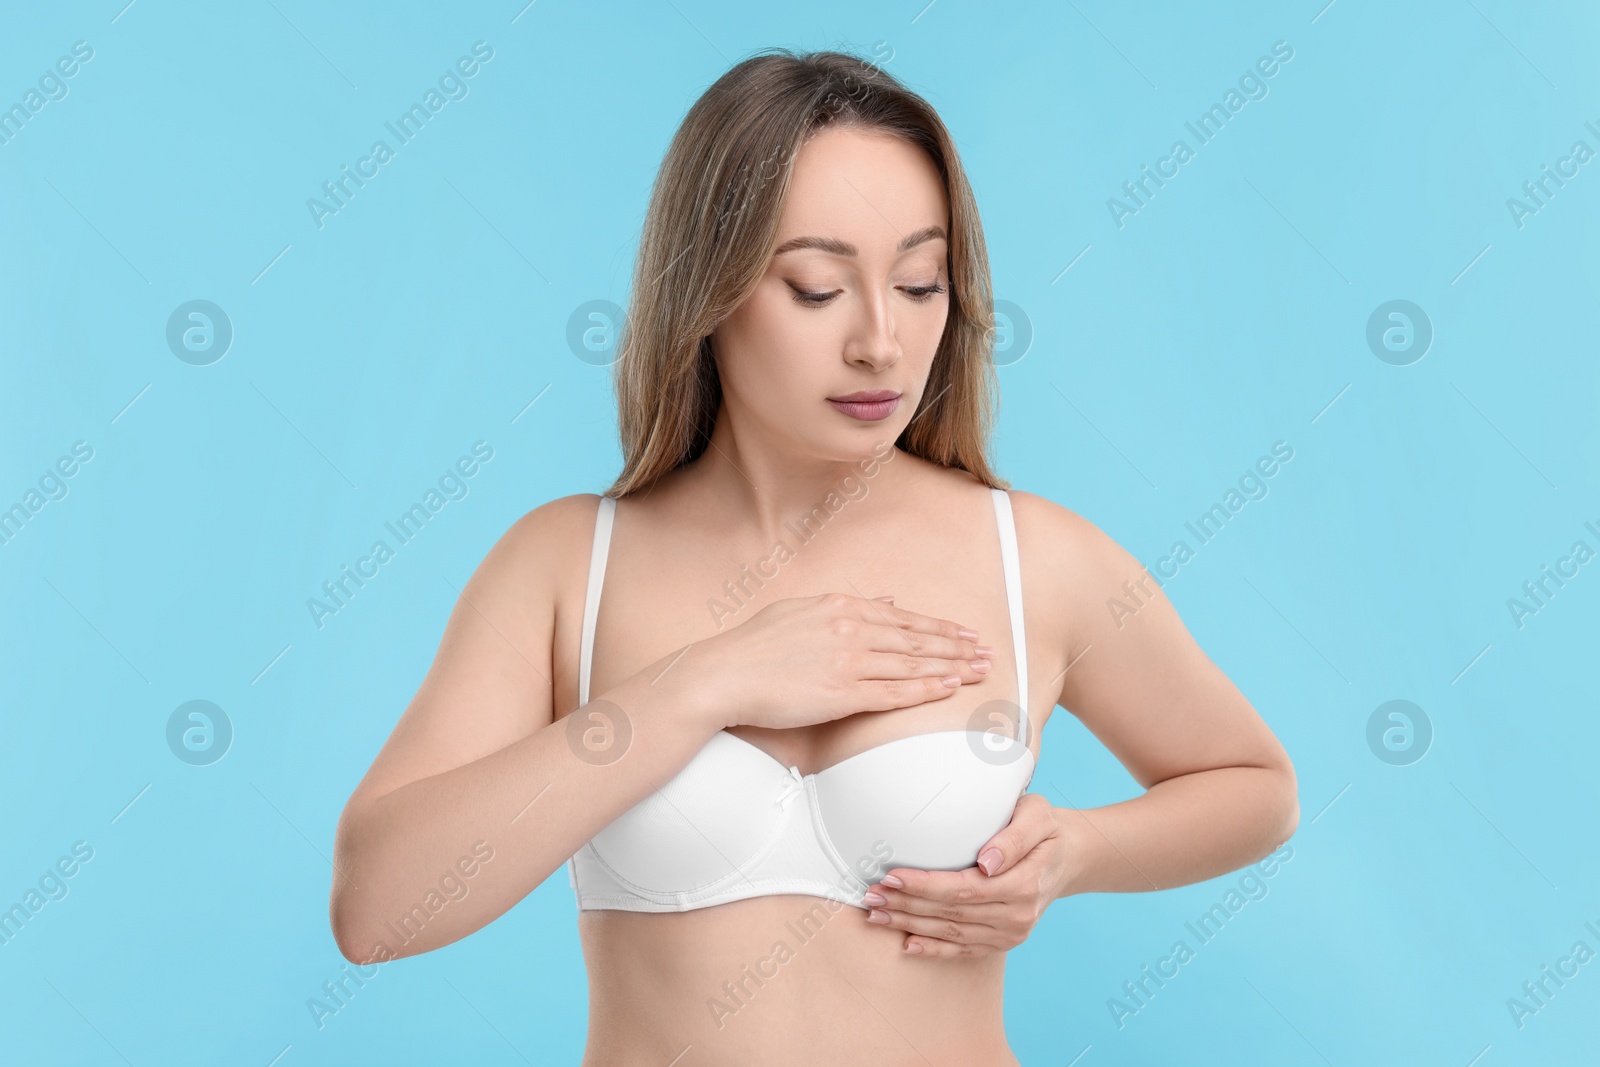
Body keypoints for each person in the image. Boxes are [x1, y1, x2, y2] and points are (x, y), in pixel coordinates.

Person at [329, 48, 1299, 1065]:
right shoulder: (568, 563)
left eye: (921, 282)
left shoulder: (1034, 557)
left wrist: (1081, 851)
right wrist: (706, 679)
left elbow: (1255, 784)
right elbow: (378, 907)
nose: (882, 342)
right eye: (816, 287)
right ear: (708, 290)